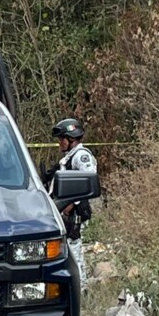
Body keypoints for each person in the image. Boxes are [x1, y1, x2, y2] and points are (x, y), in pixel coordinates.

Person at [49, 118, 97, 290]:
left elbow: (88, 181)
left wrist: (71, 204)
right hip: (64, 209)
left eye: (62, 139)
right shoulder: (68, 158)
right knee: (67, 248)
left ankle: (81, 288)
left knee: (74, 249)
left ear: (72, 139)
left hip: (74, 211)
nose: (60, 143)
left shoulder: (81, 156)